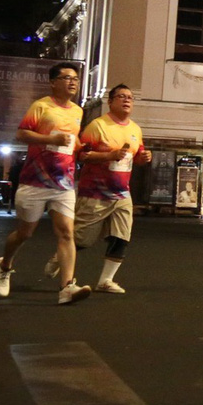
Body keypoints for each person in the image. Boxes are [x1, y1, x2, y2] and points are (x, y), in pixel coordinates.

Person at [0, 61, 90, 305]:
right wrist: (50, 139)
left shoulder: (78, 111)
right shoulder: (41, 106)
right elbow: (21, 134)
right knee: (25, 233)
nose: (72, 82)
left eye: (75, 78)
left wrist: (80, 148)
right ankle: (4, 266)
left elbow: (72, 142)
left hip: (64, 183)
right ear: (53, 82)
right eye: (67, 77)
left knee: (66, 232)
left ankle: (67, 287)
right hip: (35, 180)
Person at [75, 84, 150, 293]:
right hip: (95, 192)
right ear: (110, 101)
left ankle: (105, 280)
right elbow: (81, 155)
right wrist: (108, 155)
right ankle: (60, 260)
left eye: (130, 97)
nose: (127, 100)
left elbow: (138, 155)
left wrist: (144, 157)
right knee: (82, 239)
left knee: (122, 236)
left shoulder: (135, 129)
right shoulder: (98, 126)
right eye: (121, 97)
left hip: (122, 193)